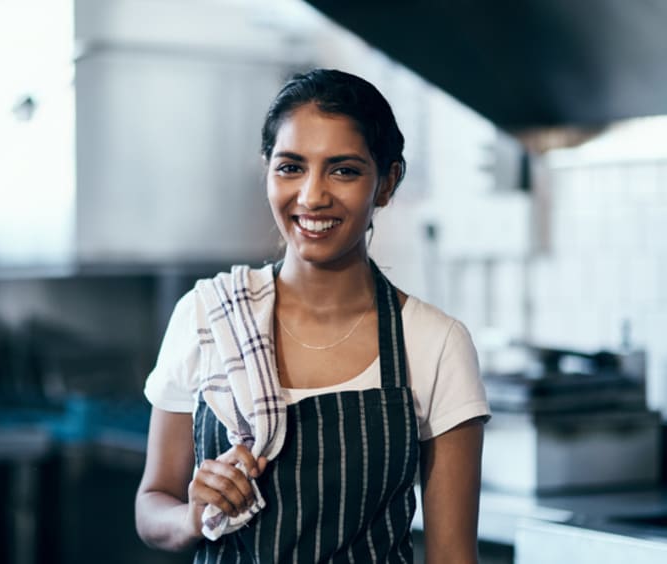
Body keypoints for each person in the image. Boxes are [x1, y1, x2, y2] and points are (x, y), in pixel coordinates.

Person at [135, 68, 490, 563]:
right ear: (267, 171)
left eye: (343, 170)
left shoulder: (435, 342)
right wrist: (192, 517)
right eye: (290, 167)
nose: (311, 196)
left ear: (386, 183)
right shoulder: (208, 316)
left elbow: (453, 556)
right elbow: (152, 506)